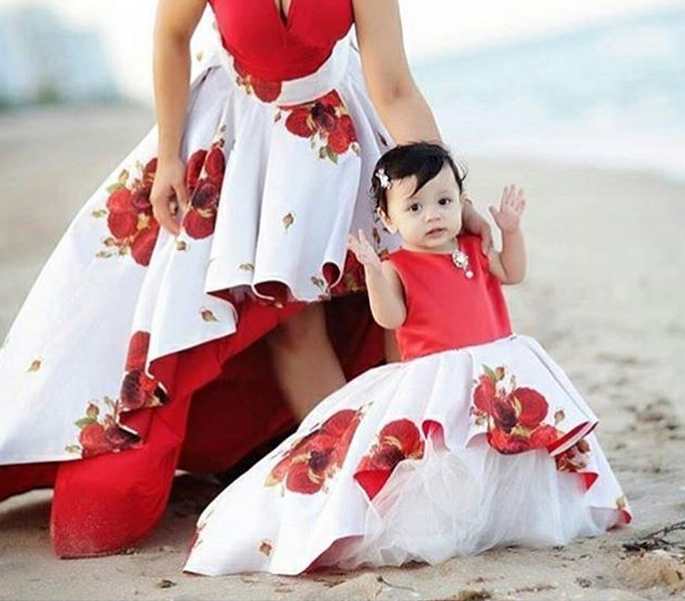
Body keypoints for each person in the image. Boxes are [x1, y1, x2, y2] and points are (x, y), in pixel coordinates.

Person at [0, 0, 492, 556]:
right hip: (241, 141)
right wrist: (170, 157)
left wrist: (447, 189)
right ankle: (345, 481)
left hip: (335, 137)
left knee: (394, 292)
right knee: (290, 318)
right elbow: (169, 39)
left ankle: (406, 464)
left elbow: (392, 83)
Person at [183, 142, 632, 576]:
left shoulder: (473, 248)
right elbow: (391, 316)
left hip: (495, 366)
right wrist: (376, 275)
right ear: (387, 217)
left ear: (460, 200)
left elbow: (513, 273)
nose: (432, 215)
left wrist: (511, 230)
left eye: (443, 200)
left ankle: (508, 516)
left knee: (500, 445)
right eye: (414, 208)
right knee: (446, 452)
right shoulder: (399, 264)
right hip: (435, 376)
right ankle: (451, 519)